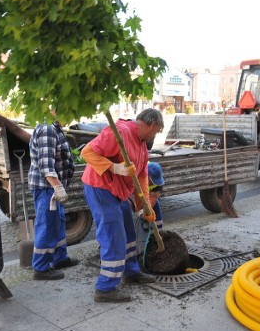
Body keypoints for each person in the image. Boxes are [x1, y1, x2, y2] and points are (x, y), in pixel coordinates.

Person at [81, 109, 163, 302]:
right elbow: (87, 152)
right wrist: (114, 167)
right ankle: (105, 288)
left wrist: (143, 207)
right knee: (113, 235)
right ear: (152, 125)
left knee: (128, 232)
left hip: (118, 191)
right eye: (157, 131)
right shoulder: (120, 132)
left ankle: (131, 271)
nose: (155, 135)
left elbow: (141, 176)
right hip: (101, 187)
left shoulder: (142, 145)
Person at [28, 120, 79, 280]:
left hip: (50, 187)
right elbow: (46, 166)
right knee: (47, 224)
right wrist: (57, 187)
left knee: (58, 221)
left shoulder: (54, 127)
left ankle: (59, 259)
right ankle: (41, 268)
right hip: (46, 187)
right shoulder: (48, 129)